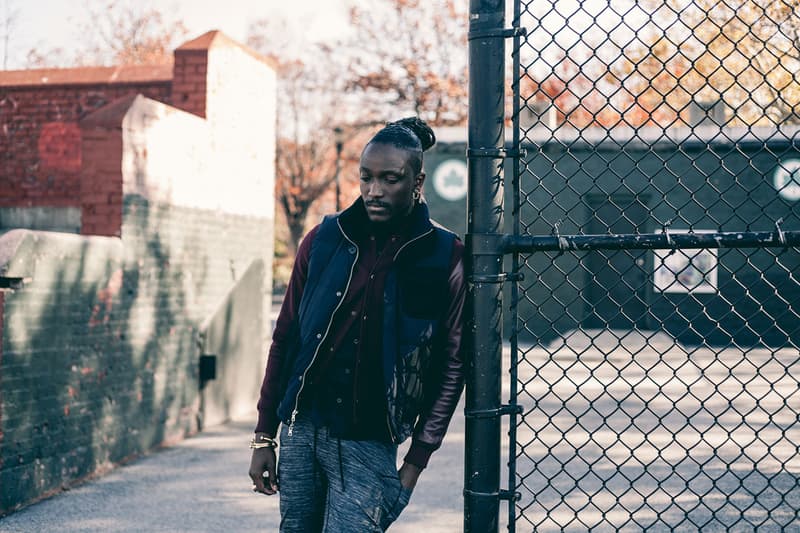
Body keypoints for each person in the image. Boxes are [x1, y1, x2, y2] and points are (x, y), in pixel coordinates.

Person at [248, 117, 466, 532]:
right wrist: (264, 435)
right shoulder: (324, 238)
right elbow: (286, 336)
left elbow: (452, 365)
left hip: (369, 440)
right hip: (302, 428)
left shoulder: (444, 254)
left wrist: (415, 462)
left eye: (390, 179)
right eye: (366, 177)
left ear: (417, 181)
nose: (374, 190)